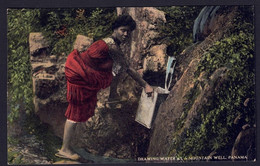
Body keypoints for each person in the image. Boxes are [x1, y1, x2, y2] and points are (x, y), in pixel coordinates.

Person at [55, 15, 154, 160]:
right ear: (115, 29)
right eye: (123, 30)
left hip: (83, 75)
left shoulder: (110, 43)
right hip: (80, 77)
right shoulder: (111, 45)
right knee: (74, 114)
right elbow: (128, 69)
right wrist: (145, 85)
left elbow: (118, 67)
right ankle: (64, 149)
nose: (125, 34)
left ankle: (67, 146)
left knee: (75, 113)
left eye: (128, 32)